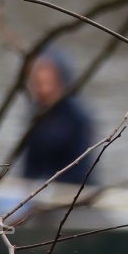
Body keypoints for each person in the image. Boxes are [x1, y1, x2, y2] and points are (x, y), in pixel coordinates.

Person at [19, 45, 98, 188]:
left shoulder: (77, 118)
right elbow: (30, 167)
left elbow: (81, 169)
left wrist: (48, 186)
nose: (43, 90)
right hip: (39, 189)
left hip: (73, 191)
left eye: (47, 83)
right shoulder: (35, 117)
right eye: (37, 84)